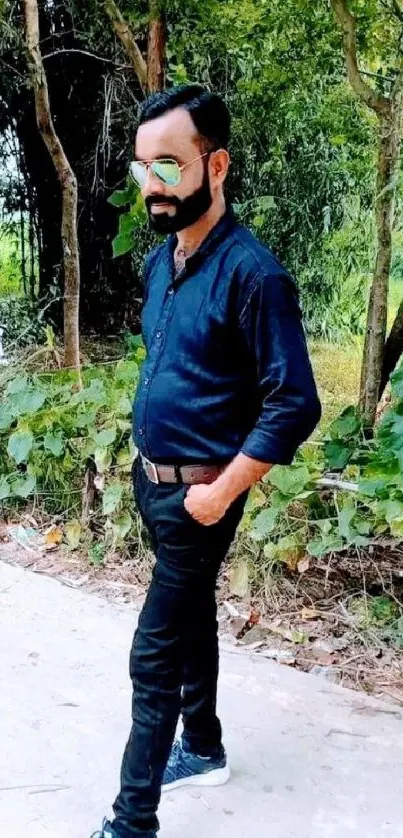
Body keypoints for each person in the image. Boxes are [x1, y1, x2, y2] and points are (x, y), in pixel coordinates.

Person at [91, 84, 321, 838]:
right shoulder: (162, 264)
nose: (152, 186)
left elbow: (293, 403)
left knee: (152, 655)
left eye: (169, 166)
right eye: (141, 169)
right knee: (189, 620)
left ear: (214, 165)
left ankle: (133, 823)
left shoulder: (255, 275)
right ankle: (206, 745)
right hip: (155, 482)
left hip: (200, 498)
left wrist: (220, 493)